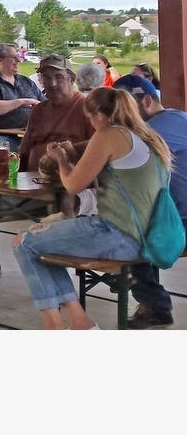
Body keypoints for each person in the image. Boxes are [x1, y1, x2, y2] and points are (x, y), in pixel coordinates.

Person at [13, 86, 176, 330]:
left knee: (25, 243)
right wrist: (71, 150)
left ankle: (57, 324)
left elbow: (72, 184)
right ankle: (77, 321)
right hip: (148, 236)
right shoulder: (146, 135)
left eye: (90, 118)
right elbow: (90, 149)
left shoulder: (109, 134)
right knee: (37, 246)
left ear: (99, 116)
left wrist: (61, 160)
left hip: (117, 233)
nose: (90, 123)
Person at [112, 75, 187, 329]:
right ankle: (153, 304)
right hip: (172, 216)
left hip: (180, 221)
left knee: (127, 233)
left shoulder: (161, 126)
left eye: (125, 108)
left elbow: (111, 152)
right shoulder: (176, 119)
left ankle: (155, 306)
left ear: (146, 101)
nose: (119, 115)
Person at [20, 54, 96, 172]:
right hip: (31, 183)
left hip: (69, 184)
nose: (52, 84)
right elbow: (24, 151)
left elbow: (100, 145)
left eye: (59, 77)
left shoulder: (88, 109)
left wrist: (64, 151)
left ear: (71, 79)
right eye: (47, 78)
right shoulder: (38, 110)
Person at [0, 42, 43, 149]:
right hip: (1, 137)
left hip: (31, 134)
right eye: (14, 57)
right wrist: (23, 102)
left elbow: (44, 104)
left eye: (18, 57)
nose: (18, 60)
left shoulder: (26, 81)